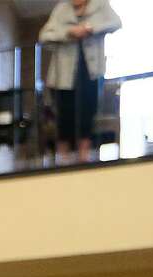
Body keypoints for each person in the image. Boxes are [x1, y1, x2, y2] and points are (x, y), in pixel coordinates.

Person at [40, 0, 122, 163]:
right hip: (63, 75)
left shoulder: (100, 5)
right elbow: (44, 35)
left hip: (90, 72)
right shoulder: (61, 9)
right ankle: (62, 159)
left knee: (87, 111)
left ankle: (84, 157)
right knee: (64, 114)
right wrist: (69, 32)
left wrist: (90, 29)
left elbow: (116, 22)